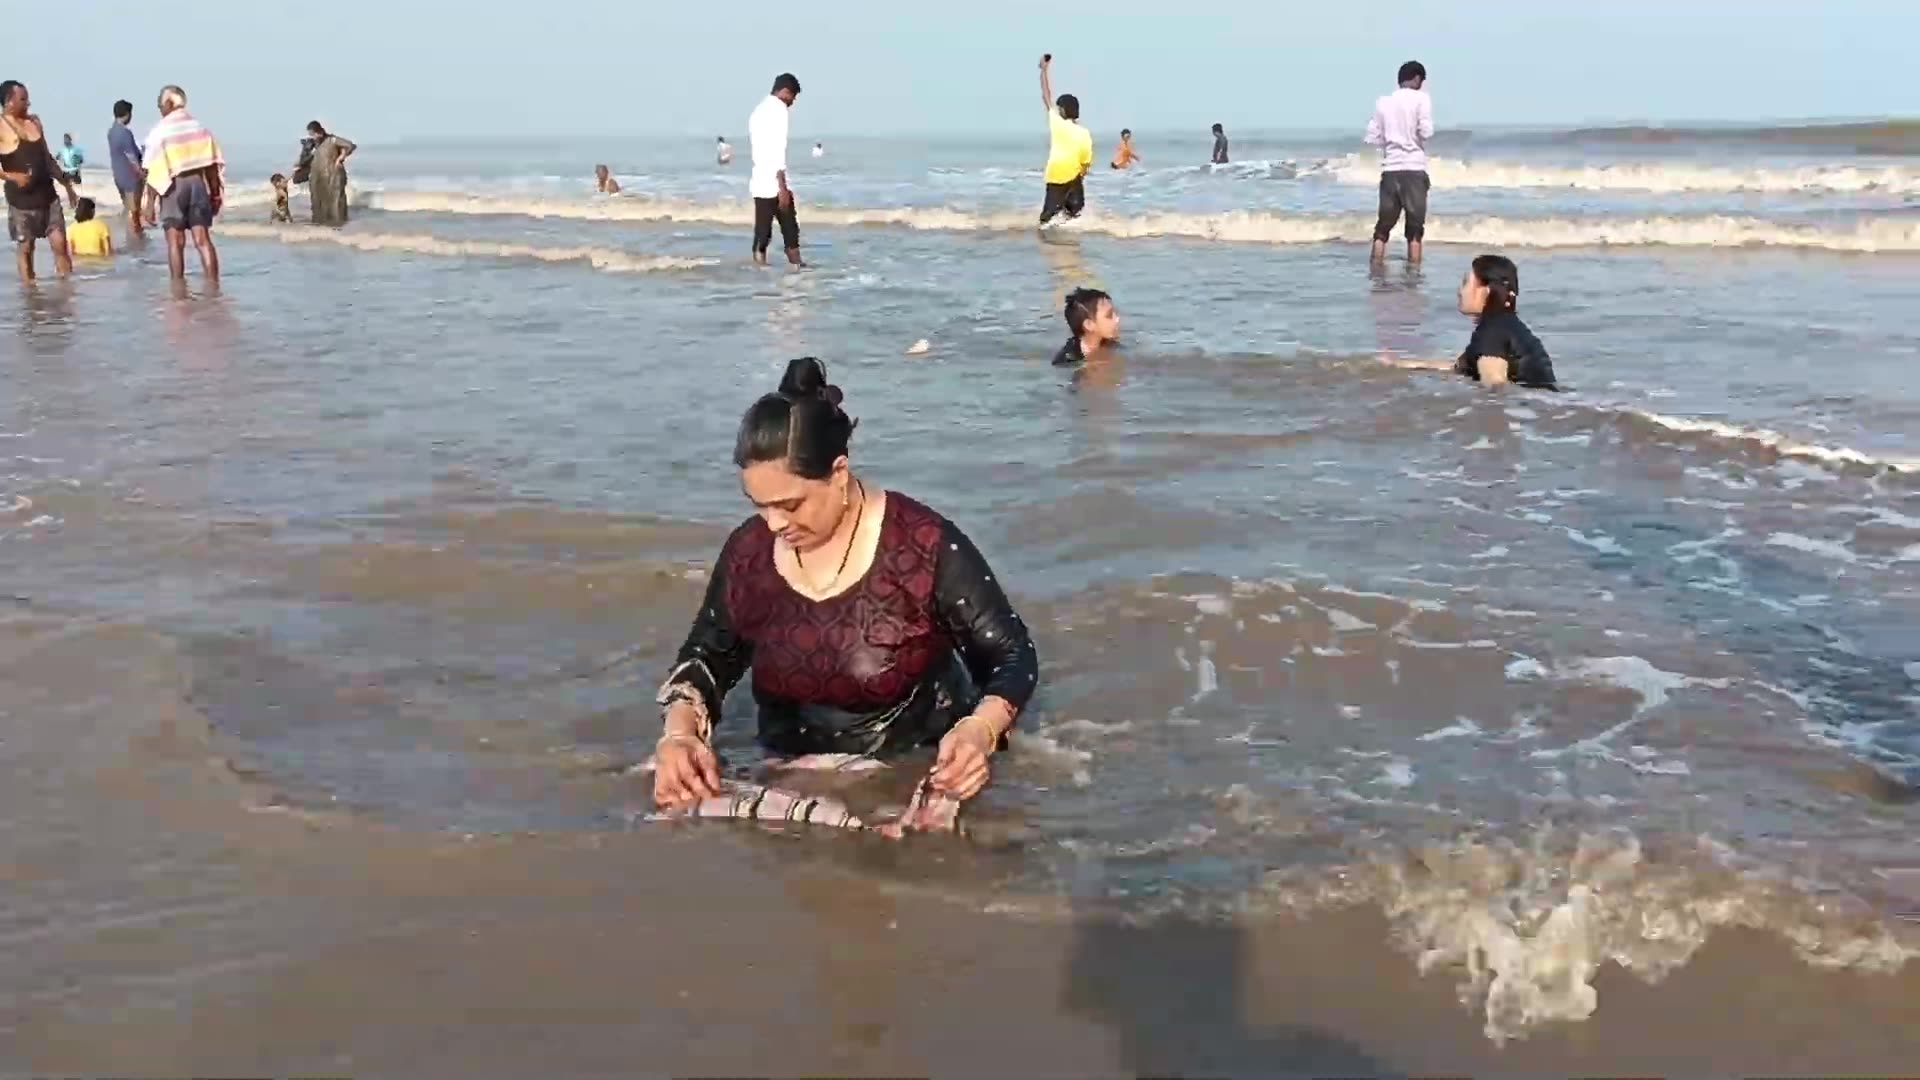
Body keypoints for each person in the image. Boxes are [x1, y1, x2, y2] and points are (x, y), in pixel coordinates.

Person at [652, 358, 1039, 809]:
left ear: (838, 473)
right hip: (787, 779)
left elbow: (1013, 656)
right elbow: (707, 657)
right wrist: (679, 734)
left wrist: (980, 730)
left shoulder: (923, 545)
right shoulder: (749, 552)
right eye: (759, 505)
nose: (774, 523)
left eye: (791, 505)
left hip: (911, 773)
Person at [142, 85, 224, 282]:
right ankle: (213, 286)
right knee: (202, 239)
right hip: (197, 183)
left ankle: (178, 288)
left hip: (173, 186)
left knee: (175, 242)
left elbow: (153, 169)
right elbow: (212, 164)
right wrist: (214, 193)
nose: (160, 110)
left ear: (169, 103)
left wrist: (149, 204)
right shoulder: (199, 127)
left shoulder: (160, 131)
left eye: (160, 106)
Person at [0, 80, 77, 283]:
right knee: (26, 248)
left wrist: (67, 185)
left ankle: (67, 293)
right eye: (23, 99)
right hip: (21, 201)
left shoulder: (34, 122)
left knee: (60, 243)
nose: (28, 104)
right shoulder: (1, 126)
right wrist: (11, 176)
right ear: (9, 101)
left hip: (48, 196)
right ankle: (30, 296)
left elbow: (47, 158)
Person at [1366, 60, 1434, 264]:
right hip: (1413, 168)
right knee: (1414, 230)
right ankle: (1414, 275)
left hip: (1390, 169)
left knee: (1382, 228)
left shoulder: (1383, 102)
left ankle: (1376, 271)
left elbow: (1373, 137)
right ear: (1416, 78)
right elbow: (1426, 132)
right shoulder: (1422, 99)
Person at [1453, 255, 1555, 389]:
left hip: (1530, 407)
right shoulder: (1505, 324)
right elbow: (1460, 367)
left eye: (1465, 283)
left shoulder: (1492, 332)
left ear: (1486, 291)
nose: (1459, 291)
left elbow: (1497, 389)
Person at [748, 73, 804, 268]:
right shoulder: (778, 110)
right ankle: (798, 268)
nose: (792, 102)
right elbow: (777, 149)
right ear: (785, 91)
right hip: (773, 182)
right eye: (793, 97)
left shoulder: (758, 110)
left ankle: (759, 273)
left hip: (759, 181)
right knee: (790, 229)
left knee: (762, 234)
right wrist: (782, 187)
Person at [1037, 54, 1093, 225]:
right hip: (1074, 178)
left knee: (1047, 220)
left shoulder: (1057, 123)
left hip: (1056, 178)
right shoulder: (1084, 133)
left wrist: (1044, 71)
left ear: (1063, 110)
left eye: (1059, 107)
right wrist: (1080, 177)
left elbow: (1046, 95)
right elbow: (1085, 163)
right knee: (1075, 215)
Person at [107, 99, 148, 237]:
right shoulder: (125, 133)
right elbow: (130, 156)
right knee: (134, 212)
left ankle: (132, 235)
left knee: (129, 209)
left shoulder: (111, 132)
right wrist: (140, 172)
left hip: (118, 176)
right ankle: (136, 240)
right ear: (127, 114)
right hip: (130, 177)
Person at [1051, 287, 1121, 366]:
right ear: (1089, 325)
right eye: (1109, 315)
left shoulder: (1110, 344)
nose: (1117, 319)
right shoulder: (1068, 361)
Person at [304, 121, 356, 227]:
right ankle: (320, 227)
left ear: (320, 131)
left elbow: (350, 145)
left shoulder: (332, 140)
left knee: (336, 202)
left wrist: (341, 158)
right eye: (311, 135)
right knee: (317, 202)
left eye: (314, 134)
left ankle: (339, 227)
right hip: (318, 176)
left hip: (334, 175)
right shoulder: (313, 144)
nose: (313, 137)